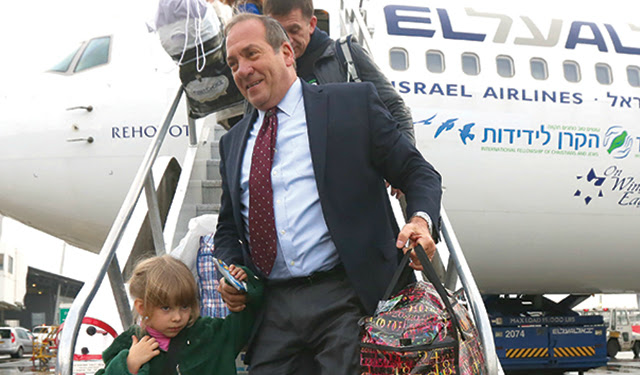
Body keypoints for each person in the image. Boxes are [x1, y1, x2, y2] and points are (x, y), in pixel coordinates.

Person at [214, 14, 442, 375]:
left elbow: (418, 173)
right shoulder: (232, 143)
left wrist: (420, 221)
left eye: (251, 54)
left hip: (349, 297)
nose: (242, 69)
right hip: (274, 309)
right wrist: (232, 271)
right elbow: (228, 229)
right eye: (233, 62)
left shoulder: (350, 106)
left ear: (287, 53)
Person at [263, 0, 415, 145]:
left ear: (311, 24)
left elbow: (396, 110)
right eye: (279, 32)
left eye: (294, 30)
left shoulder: (345, 55)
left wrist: (407, 166)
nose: (287, 40)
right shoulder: (265, 73)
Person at [95, 255, 262, 375]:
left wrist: (244, 283)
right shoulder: (129, 344)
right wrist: (129, 364)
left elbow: (249, 316)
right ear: (142, 307)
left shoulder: (209, 334)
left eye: (184, 306)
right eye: (166, 308)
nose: (177, 317)